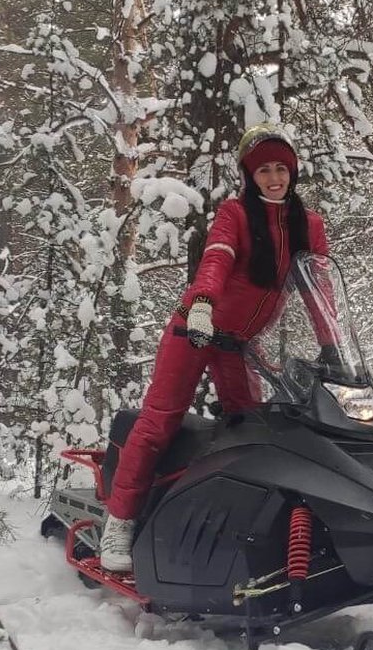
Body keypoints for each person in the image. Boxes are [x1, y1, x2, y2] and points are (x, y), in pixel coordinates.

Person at [99, 123, 329, 571]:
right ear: (250, 175)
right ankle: (120, 521)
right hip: (195, 329)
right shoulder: (236, 214)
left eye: (281, 168)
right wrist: (202, 303)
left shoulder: (309, 224)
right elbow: (217, 256)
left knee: (251, 427)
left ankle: (238, 523)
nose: (274, 177)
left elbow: (319, 288)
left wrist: (332, 345)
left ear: (294, 171)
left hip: (237, 343)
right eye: (263, 170)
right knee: (159, 422)